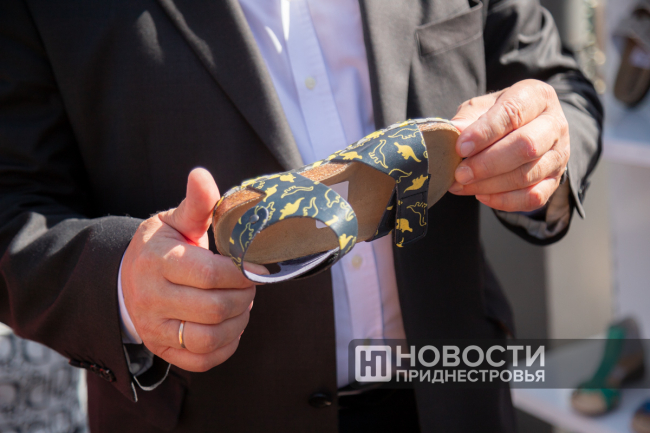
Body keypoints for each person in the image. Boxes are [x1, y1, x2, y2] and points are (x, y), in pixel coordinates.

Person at [0, 0, 602, 432]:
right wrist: (123, 286)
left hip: (454, 397)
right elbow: (13, 204)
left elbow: (558, 82)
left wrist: (546, 145)